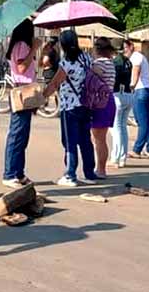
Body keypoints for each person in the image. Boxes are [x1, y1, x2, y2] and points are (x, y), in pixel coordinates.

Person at [44, 30, 100, 186]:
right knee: (85, 140)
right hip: (86, 104)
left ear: (63, 44)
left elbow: (55, 83)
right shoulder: (86, 58)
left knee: (69, 141)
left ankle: (70, 174)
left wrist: (41, 97)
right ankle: (89, 173)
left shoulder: (66, 63)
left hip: (70, 106)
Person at [2, 19, 40, 189]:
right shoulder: (21, 46)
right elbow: (22, 68)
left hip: (26, 90)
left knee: (23, 135)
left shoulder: (20, 45)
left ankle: (18, 172)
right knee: (17, 134)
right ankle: (10, 173)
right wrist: (34, 48)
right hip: (21, 91)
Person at [90, 37, 117, 177]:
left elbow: (96, 75)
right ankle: (101, 168)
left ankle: (100, 170)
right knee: (101, 138)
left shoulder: (99, 63)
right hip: (109, 99)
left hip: (100, 101)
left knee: (98, 139)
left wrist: (89, 66)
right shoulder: (110, 63)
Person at [126, 39, 149, 158]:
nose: (124, 51)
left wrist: (131, 86)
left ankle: (137, 149)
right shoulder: (139, 57)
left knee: (142, 122)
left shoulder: (136, 57)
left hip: (140, 91)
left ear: (131, 46)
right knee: (146, 121)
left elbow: (135, 72)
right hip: (145, 90)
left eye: (125, 48)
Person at [110, 40, 134, 168]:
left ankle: (116, 158)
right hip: (128, 94)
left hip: (118, 95)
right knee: (123, 128)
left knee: (116, 128)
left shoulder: (116, 62)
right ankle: (123, 157)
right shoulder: (128, 62)